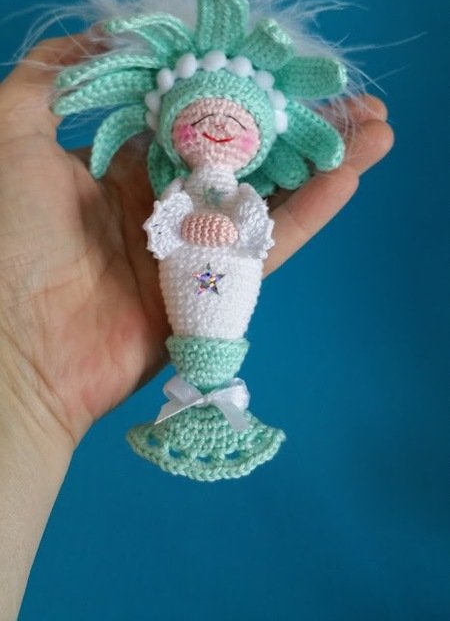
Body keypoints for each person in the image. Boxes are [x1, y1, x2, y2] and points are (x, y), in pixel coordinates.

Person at [0, 34, 394, 620]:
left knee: (224, 310)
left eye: (236, 121)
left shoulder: (245, 199)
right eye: (202, 117)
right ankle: (204, 400)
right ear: (171, 129)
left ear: (263, 137)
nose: (218, 128)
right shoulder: (177, 195)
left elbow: (256, 229)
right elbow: (164, 228)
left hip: (228, 280)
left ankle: (213, 394)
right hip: (187, 273)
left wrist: (231, 228)